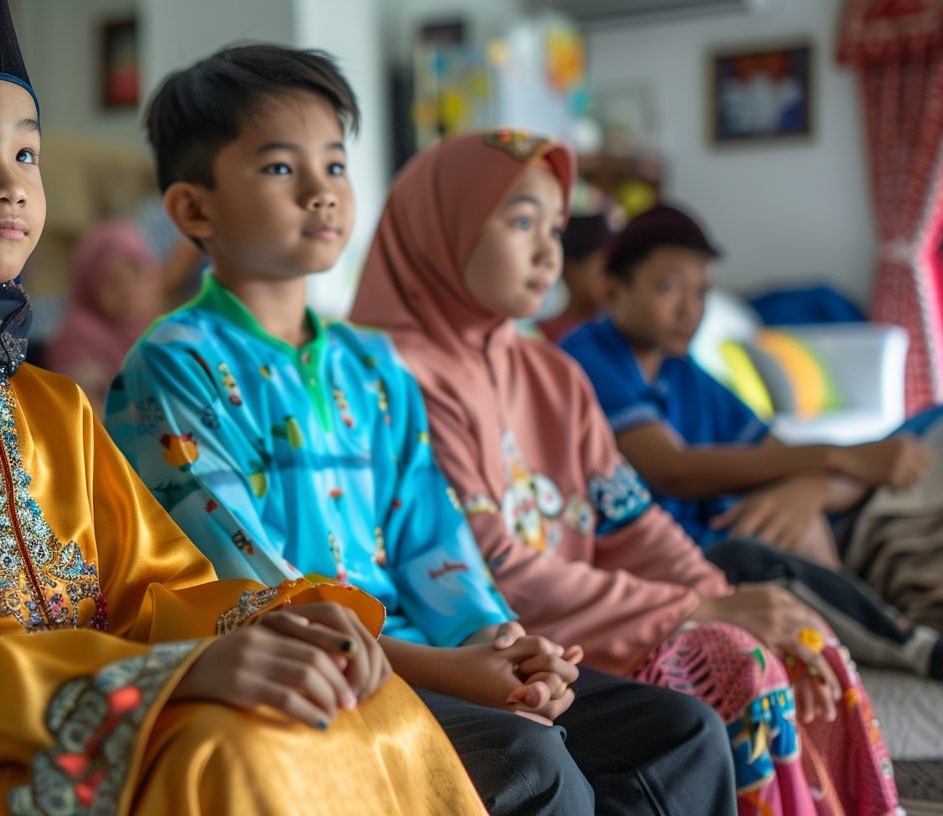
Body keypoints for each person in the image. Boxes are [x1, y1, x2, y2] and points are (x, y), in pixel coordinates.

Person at [0, 4, 491, 814]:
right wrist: (163, 677)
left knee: (365, 701)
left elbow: (159, 587)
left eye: (26, 152)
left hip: (97, 714)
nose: (9, 181)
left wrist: (285, 626)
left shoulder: (52, 404)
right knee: (224, 746)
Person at [106, 45, 737, 816]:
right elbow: (251, 594)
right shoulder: (173, 367)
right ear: (193, 209)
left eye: (335, 166)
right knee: (526, 754)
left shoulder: (370, 363)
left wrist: (499, 646)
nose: (321, 192)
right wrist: (451, 672)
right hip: (321, 670)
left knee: (680, 731)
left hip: (428, 653)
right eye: (280, 169)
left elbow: (434, 540)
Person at [349, 129, 899, 816]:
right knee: (733, 666)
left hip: (596, 617)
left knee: (783, 636)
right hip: (512, 638)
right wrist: (693, 608)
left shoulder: (552, 372)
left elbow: (630, 516)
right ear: (442, 228)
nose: (550, 250)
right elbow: (493, 569)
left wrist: (715, 592)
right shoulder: (390, 376)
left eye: (554, 226)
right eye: (522, 222)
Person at [558, 204, 942, 680]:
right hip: (674, 564)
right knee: (774, 549)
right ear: (611, 289)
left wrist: (808, 487)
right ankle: (908, 644)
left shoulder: (685, 373)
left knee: (931, 431)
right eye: (668, 286)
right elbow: (671, 469)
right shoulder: (586, 358)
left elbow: (778, 453)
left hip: (738, 536)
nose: (690, 309)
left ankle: (873, 612)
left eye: (702, 292)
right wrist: (837, 455)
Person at [44, 219, 162, 412]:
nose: (128, 291)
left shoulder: (160, 328)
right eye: (115, 281)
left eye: (137, 275)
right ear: (90, 284)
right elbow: (91, 415)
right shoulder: (76, 339)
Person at [538, 212, 613, 343]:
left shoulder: (620, 337)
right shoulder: (539, 337)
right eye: (602, 270)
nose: (612, 279)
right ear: (570, 271)